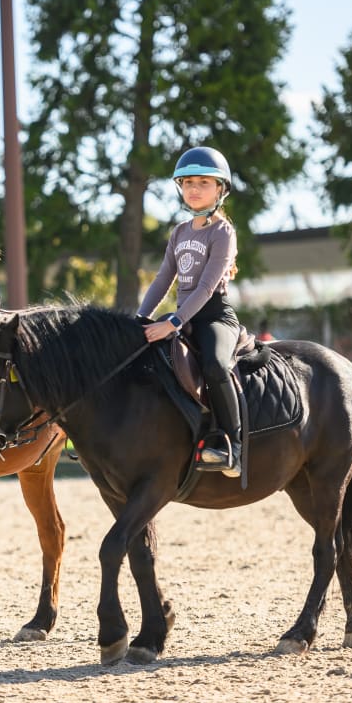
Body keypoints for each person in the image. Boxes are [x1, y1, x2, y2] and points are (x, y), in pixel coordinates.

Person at [137, 147, 242, 478]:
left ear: (220, 190)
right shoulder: (179, 232)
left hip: (213, 316)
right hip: (183, 316)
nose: (194, 189)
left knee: (214, 364)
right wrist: (139, 318)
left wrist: (174, 321)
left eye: (204, 182)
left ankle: (234, 445)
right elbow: (162, 281)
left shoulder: (223, 232)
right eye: (188, 182)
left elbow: (207, 288)